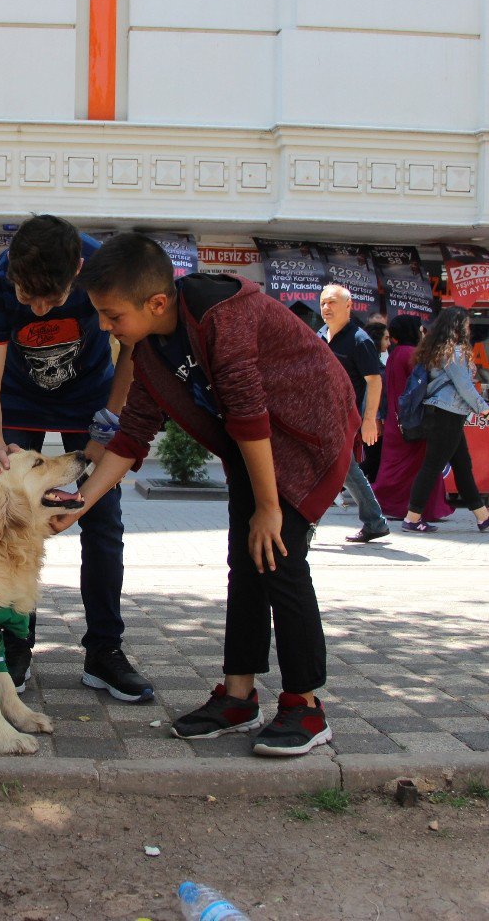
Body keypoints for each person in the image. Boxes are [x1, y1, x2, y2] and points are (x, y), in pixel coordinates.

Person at [52, 232, 359, 756]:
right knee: (246, 563)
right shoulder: (147, 349)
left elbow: (246, 408)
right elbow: (132, 435)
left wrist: (267, 507)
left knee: (280, 563)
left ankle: (305, 708)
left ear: (154, 302)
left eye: (111, 315)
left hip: (308, 437)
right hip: (255, 447)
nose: (104, 327)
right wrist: (83, 500)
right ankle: (238, 697)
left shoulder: (220, 313)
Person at [0, 215, 154, 703]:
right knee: (12, 522)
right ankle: (14, 645)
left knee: (102, 523)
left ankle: (104, 652)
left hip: (89, 400)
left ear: (77, 272)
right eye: (25, 298)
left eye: (47, 302)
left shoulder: (102, 267)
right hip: (18, 400)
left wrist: (107, 425)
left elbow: (131, 354)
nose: (33, 308)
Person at [401, 307, 489, 533]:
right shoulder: (455, 352)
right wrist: (484, 409)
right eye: (467, 324)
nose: (469, 329)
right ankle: (412, 518)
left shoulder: (439, 349)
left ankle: (483, 516)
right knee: (432, 466)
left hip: (447, 414)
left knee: (462, 466)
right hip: (446, 414)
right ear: (459, 326)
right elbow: (464, 386)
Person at [318, 285, 390, 544]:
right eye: (323, 302)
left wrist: (369, 420)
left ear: (348, 306)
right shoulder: (320, 335)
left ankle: (304, 527)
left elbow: (374, 381)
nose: (326, 307)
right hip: (319, 417)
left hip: (343, 419)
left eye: (332, 302)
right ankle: (375, 522)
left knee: (326, 470)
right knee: (345, 470)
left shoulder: (360, 340)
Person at [371, 315, 454, 523]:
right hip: (413, 421)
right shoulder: (412, 354)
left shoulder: (394, 354)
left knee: (394, 468)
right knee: (423, 465)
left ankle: (385, 503)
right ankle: (423, 508)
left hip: (395, 419)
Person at [360, 321, 390, 482]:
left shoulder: (371, 360)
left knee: (374, 460)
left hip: (370, 418)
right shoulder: (371, 363)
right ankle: (336, 487)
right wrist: (375, 418)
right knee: (373, 459)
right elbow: (369, 393)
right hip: (371, 419)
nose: (389, 342)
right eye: (386, 338)